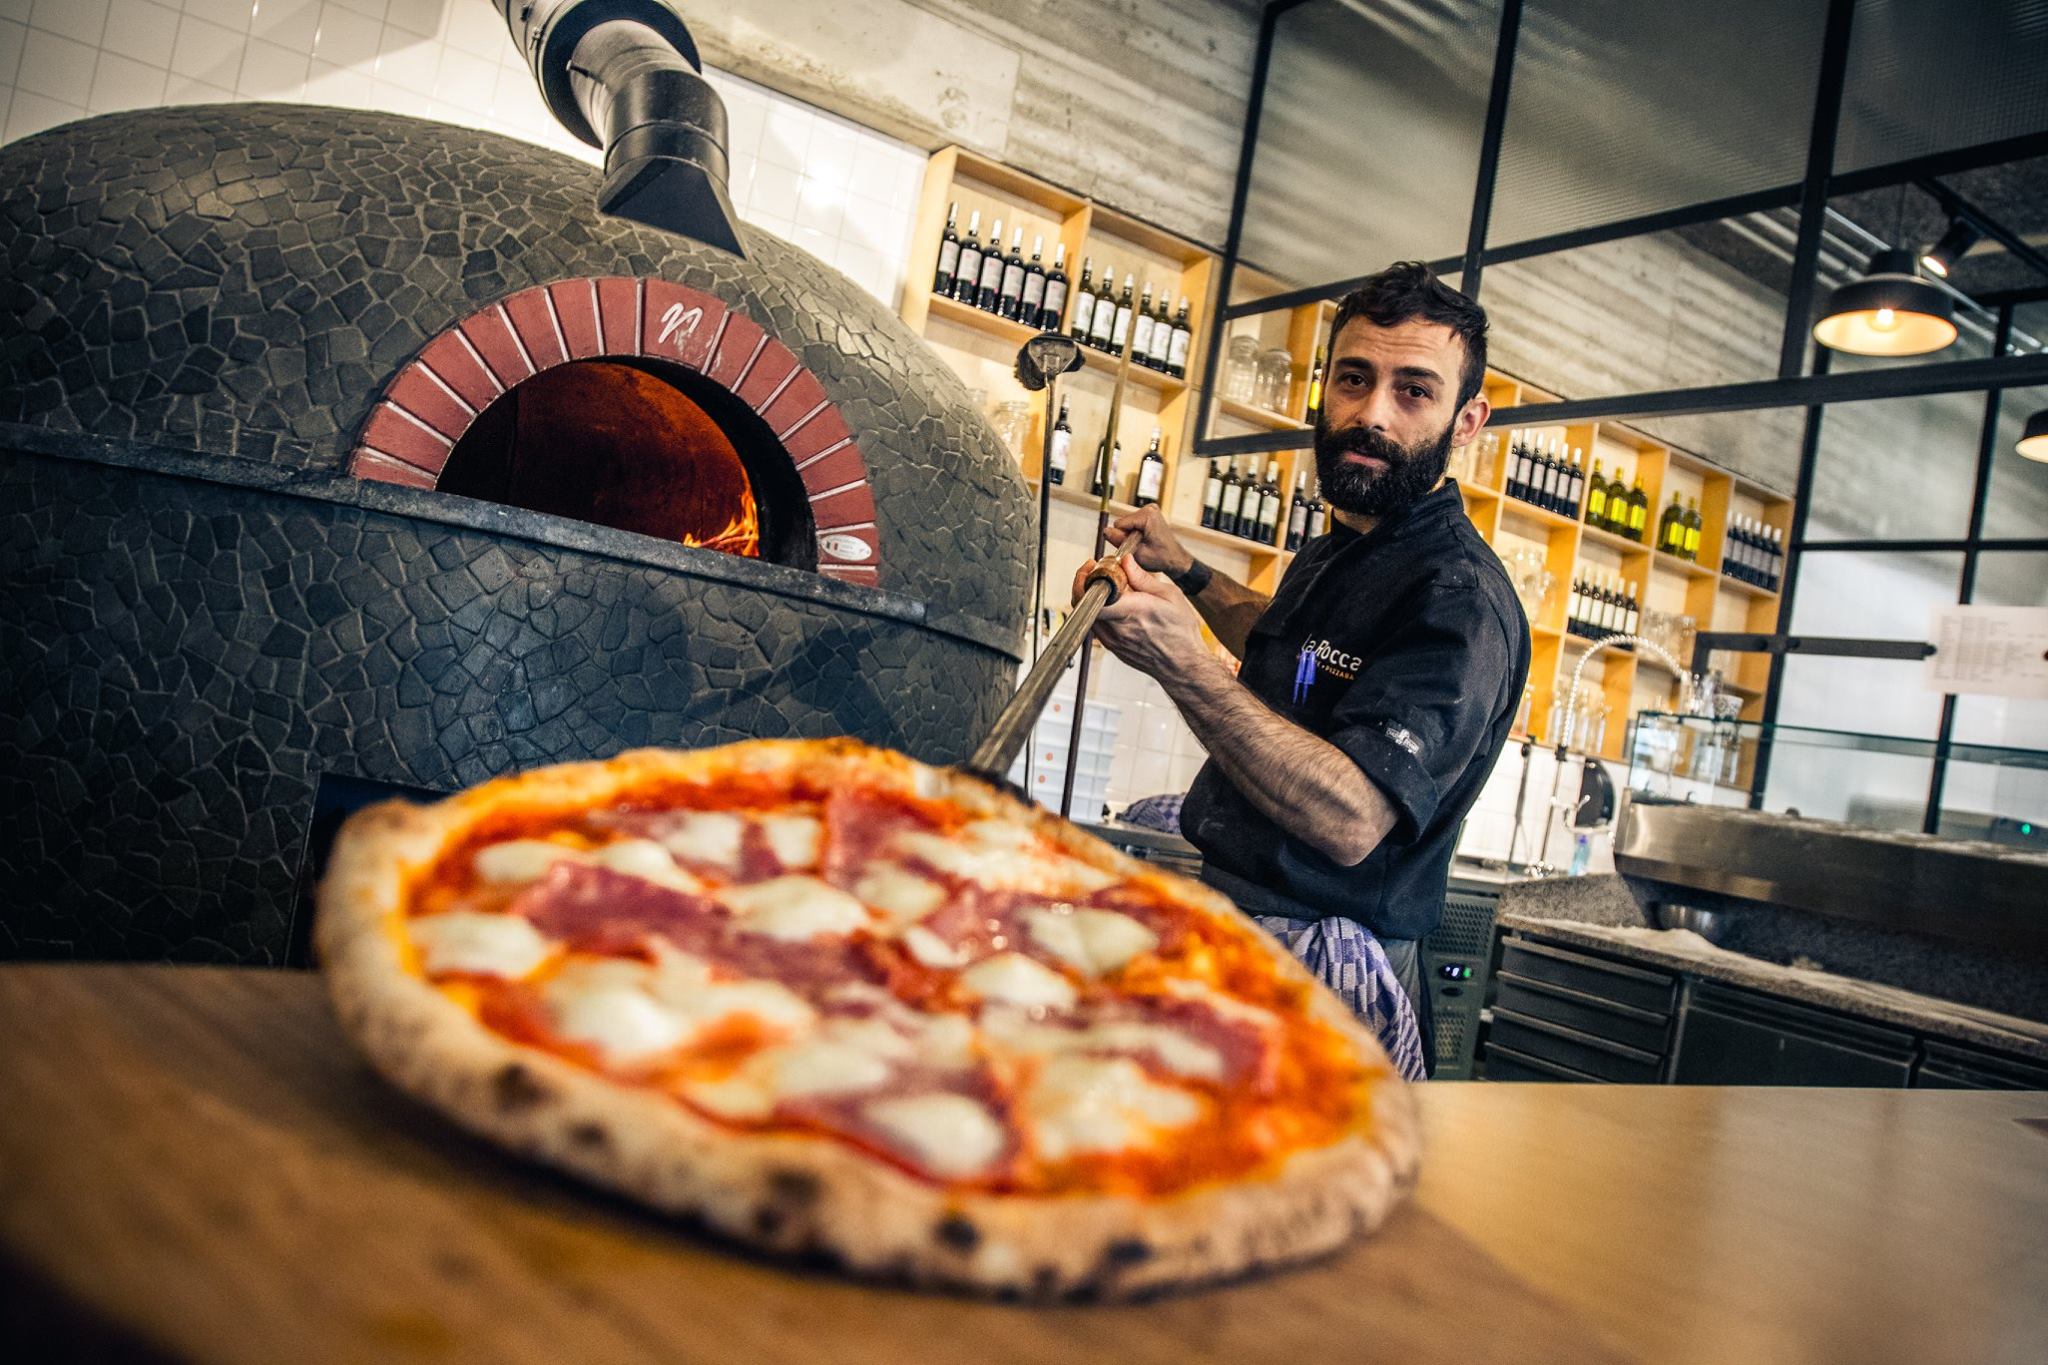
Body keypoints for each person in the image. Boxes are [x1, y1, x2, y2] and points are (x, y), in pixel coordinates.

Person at [1074, 262, 1530, 1078]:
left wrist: (1183, 665)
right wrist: (1190, 575)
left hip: (1327, 975)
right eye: (1354, 379)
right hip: (1243, 937)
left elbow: (1350, 817)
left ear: (1467, 421)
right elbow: (1303, 652)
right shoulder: (1348, 543)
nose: (1370, 415)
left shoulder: (1459, 598)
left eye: (1414, 391)